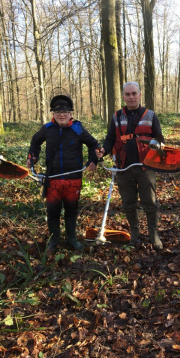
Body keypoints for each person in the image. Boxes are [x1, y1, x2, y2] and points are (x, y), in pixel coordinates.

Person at [27, 92, 99, 252]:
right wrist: (32, 158)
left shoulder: (78, 128)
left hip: (73, 179)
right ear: (53, 113)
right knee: (52, 210)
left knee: (71, 209)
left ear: (70, 113)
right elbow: (35, 142)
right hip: (52, 179)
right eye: (58, 112)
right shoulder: (47, 129)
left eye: (65, 112)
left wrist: (93, 160)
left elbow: (94, 144)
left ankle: (72, 239)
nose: (62, 115)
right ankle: (54, 241)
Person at [96, 81, 164, 250]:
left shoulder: (150, 115)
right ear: (124, 96)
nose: (131, 97)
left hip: (145, 166)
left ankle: (154, 234)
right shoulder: (117, 116)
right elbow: (110, 138)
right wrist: (103, 151)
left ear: (140, 95)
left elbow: (160, 138)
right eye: (128, 94)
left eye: (134, 93)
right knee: (128, 202)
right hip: (123, 167)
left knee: (149, 202)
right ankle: (135, 232)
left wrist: (157, 148)